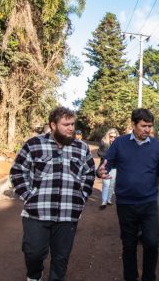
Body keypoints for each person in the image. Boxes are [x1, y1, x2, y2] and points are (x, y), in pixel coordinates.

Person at [9, 107, 96, 281]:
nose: (71, 128)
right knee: (33, 253)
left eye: (72, 124)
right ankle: (34, 275)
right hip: (36, 213)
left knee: (61, 257)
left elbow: (89, 173)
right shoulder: (34, 144)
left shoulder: (81, 148)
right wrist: (28, 196)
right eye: (66, 124)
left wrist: (82, 198)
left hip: (68, 214)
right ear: (53, 125)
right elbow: (17, 171)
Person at [97, 108, 159, 281]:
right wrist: (100, 171)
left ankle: (149, 277)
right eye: (144, 126)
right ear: (133, 124)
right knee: (129, 245)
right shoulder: (120, 143)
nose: (148, 130)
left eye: (150, 126)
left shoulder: (156, 145)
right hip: (126, 204)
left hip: (148, 203)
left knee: (152, 243)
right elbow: (106, 164)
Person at [98, 128, 119, 209]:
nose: (113, 138)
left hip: (114, 167)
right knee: (106, 184)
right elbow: (100, 153)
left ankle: (109, 200)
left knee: (111, 184)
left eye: (115, 137)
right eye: (111, 136)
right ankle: (104, 201)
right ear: (108, 136)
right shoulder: (104, 143)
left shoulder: (118, 144)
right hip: (105, 167)